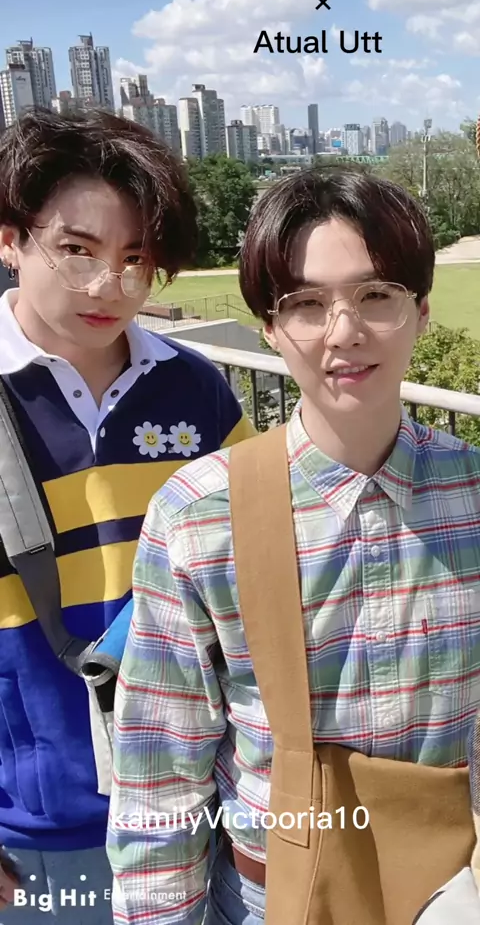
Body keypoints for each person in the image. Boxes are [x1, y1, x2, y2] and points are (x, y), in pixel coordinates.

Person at [107, 167, 480, 924]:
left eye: (376, 296)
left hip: (458, 885)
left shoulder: (471, 492)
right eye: (307, 304)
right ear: (270, 329)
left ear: (420, 312)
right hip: (270, 893)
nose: (344, 332)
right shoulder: (203, 514)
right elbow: (161, 776)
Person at [0, 107, 255, 922]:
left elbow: (254, 574)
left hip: (193, 806)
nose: (109, 286)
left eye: (136, 259)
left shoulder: (197, 391)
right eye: (77, 250)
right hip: (34, 836)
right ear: (11, 239)